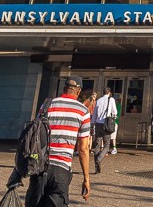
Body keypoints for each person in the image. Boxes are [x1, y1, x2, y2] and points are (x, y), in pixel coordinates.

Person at [8, 75, 91, 206]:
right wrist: (86, 178)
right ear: (79, 91)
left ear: (64, 88)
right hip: (62, 170)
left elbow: (34, 136)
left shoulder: (47, 105)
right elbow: (83, 149)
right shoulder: (83, 112)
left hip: (40, 166)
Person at [92, 87, 117, 172]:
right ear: (109, 92)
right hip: (106, 124)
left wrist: (93, 124)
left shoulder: (98, 100)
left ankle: (96, 166)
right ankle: (99, 159)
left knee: (97, 145)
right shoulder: (111, 100)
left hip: (98, 124)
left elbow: (94, 114)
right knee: (106, 145)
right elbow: (115, 112)